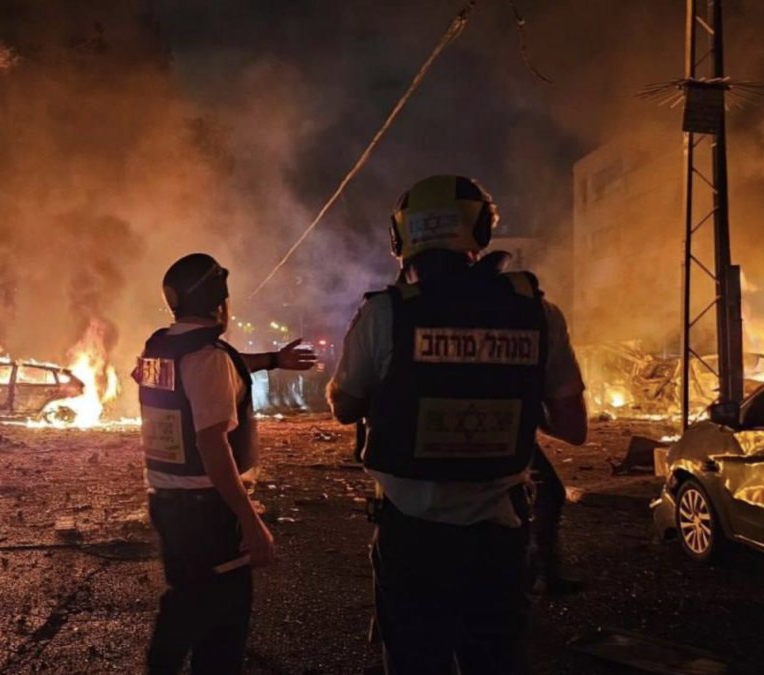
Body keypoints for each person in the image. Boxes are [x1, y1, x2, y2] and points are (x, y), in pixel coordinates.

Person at [326, 175, 588, 675]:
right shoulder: (538, 313)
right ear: (481, 233)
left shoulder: (384, 315)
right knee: (494, 659)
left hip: (410, 533)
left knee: (414, 660)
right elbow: (573, 427)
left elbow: (343, 406)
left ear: (401, 239)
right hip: (497, 536)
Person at [134, 253, 316, 675]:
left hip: (168, 500)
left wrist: (272, 359)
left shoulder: (159, 347)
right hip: (206, 510)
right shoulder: (208, 358)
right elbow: (213, 443)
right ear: (221, 303)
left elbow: (209, 371)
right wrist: (250, 520)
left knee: (189, 597)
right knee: (218, 625)